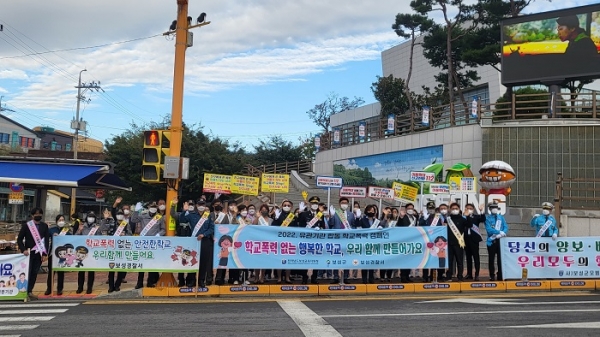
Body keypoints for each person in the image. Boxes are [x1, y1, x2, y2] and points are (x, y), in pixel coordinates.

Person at [131, 201, 166, 288]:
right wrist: (136, 211)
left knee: (152, 263)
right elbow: (133, 220)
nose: (153, 208)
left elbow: (163, 229)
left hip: (154, 243)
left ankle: (150, 282)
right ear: (149, 207)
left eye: (155, 207)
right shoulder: (143, 216)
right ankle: (139, 282)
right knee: (142, 263)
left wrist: (159, 235)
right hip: (144, 243)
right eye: (152, 206)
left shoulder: (159, 217)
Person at [17, 207, 50, 300]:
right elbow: (19, 239)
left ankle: (30, 291)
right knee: (28, 272)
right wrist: (23, 249)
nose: (38, 215)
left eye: (40, 214)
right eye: (36, 214)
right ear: (32, 215)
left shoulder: (44, 226)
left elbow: (46, 240)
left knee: (35, 272)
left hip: (39, 254)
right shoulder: (27, 225)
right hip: (28, 253)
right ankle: (24, 292)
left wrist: (44, 254)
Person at [328, 197, 355, 284]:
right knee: (336, 258)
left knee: (346, 258)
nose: (344, 204)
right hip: (337, 239)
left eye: (346, 203)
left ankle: (346, 276)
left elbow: (354, 226)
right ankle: (335, 276)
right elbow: (331, 225)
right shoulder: (335, 213)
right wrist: (331, 217)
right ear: (339, 204)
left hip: (347, 239)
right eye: (342, 202)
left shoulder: (351, 214)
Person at [75, 211, 103, 294]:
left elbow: (100, 238)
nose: (91, 218)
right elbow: (75, 237)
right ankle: (80, 287)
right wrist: (79, 231)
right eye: (89, 216)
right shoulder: (82, 226)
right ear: (86, 218)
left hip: (92, 251)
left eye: (92, 217)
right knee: (81, 271)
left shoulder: (97, 227)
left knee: (91, 271)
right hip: (82, 251)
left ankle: (89, 287)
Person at [271, 199, 297, 284]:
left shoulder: (293, 216)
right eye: (285, 205)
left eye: (288, 205)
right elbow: (273, 227)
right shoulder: (278, 215)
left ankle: (287, 277)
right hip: (279, 241)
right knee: (279, 260)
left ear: (291, 207)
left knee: (288, 260)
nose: (286, 207)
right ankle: (279, 278)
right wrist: (276, 218)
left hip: (290, 241)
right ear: (282, 206)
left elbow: (297, 227)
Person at [45, 214, 71, 296]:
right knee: (51, 272)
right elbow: (45, 236)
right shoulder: (52, 230)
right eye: (59, 220)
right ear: (56, 221)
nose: (61, 221)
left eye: (62, 220)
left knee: (61, 272)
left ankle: (60, 289)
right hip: (53, 254)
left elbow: (72, 239)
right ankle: (49, 288)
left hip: (62, 254)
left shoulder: (66, 231)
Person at [176, 199, 199, 287]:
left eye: (191, 204)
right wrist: (184, 211)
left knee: (192, 258)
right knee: (182, 257)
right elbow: (181, 219)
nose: (190, 206)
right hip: (182, 236)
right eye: (188, 204)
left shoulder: (196, 215)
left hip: (192, 237)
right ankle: (181, 279)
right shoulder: (182, 213)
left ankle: (191, 279)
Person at [108, 209, 131, 292]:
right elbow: (108, 234)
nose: (120, 215)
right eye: (118, 214)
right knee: (111, 268)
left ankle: (117, 285)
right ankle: (111, 286)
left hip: (122, 248)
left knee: (121, 268)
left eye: (121, 214)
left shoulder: (126, 224)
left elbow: (130, 234)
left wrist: (125, 235)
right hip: (113, 248)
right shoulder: (112, 224)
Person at [485, 202, 508, 281]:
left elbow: (505, 226)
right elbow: (489, 229)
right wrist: (498, 232)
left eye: (496, 208)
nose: (495, 209)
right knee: (491, 259)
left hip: (500, 241)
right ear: (490, 209)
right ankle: (492, 275)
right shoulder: (487, 218)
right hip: (491, 241)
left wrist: (503, 233)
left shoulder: (501, 217)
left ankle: (500, 274)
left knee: (500, 259)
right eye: (493, 208)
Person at [446, 203, 468, 282]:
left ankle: (460, 276)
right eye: (453, 208)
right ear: (450, 210)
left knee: (459, 261)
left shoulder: (462, 219)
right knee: (449, 261)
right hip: (449, 243)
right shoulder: (447, 219)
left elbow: (470, 225)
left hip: (459, 243)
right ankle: (449, 276)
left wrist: (467, 216)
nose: (454, 210)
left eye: (456, 208)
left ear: (459, 209)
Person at [463, 203, 485, 281]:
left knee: (476, 257)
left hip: (474, 239)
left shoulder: (476, 217)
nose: (469, 209)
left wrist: (482, 211)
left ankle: (477, 274)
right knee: (468, 258)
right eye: (467, 208)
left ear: (473, 209)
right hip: (465, 239)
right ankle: (469, 274)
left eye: (470, 208)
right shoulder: (463, 217)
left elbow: (482, 220)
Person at [196, 199, 214, 288]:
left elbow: (211, 228)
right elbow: (182, 219)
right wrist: (185, 211)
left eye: (203, 205)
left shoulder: (208, 216)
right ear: (197, 205)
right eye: (200, 204)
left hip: (205, 240)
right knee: (192, 260)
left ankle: (201, 280)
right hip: (194, 241)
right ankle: (191, 280)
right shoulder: (192, 215)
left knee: (203, 261)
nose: (201, 206)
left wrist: (204, 234)